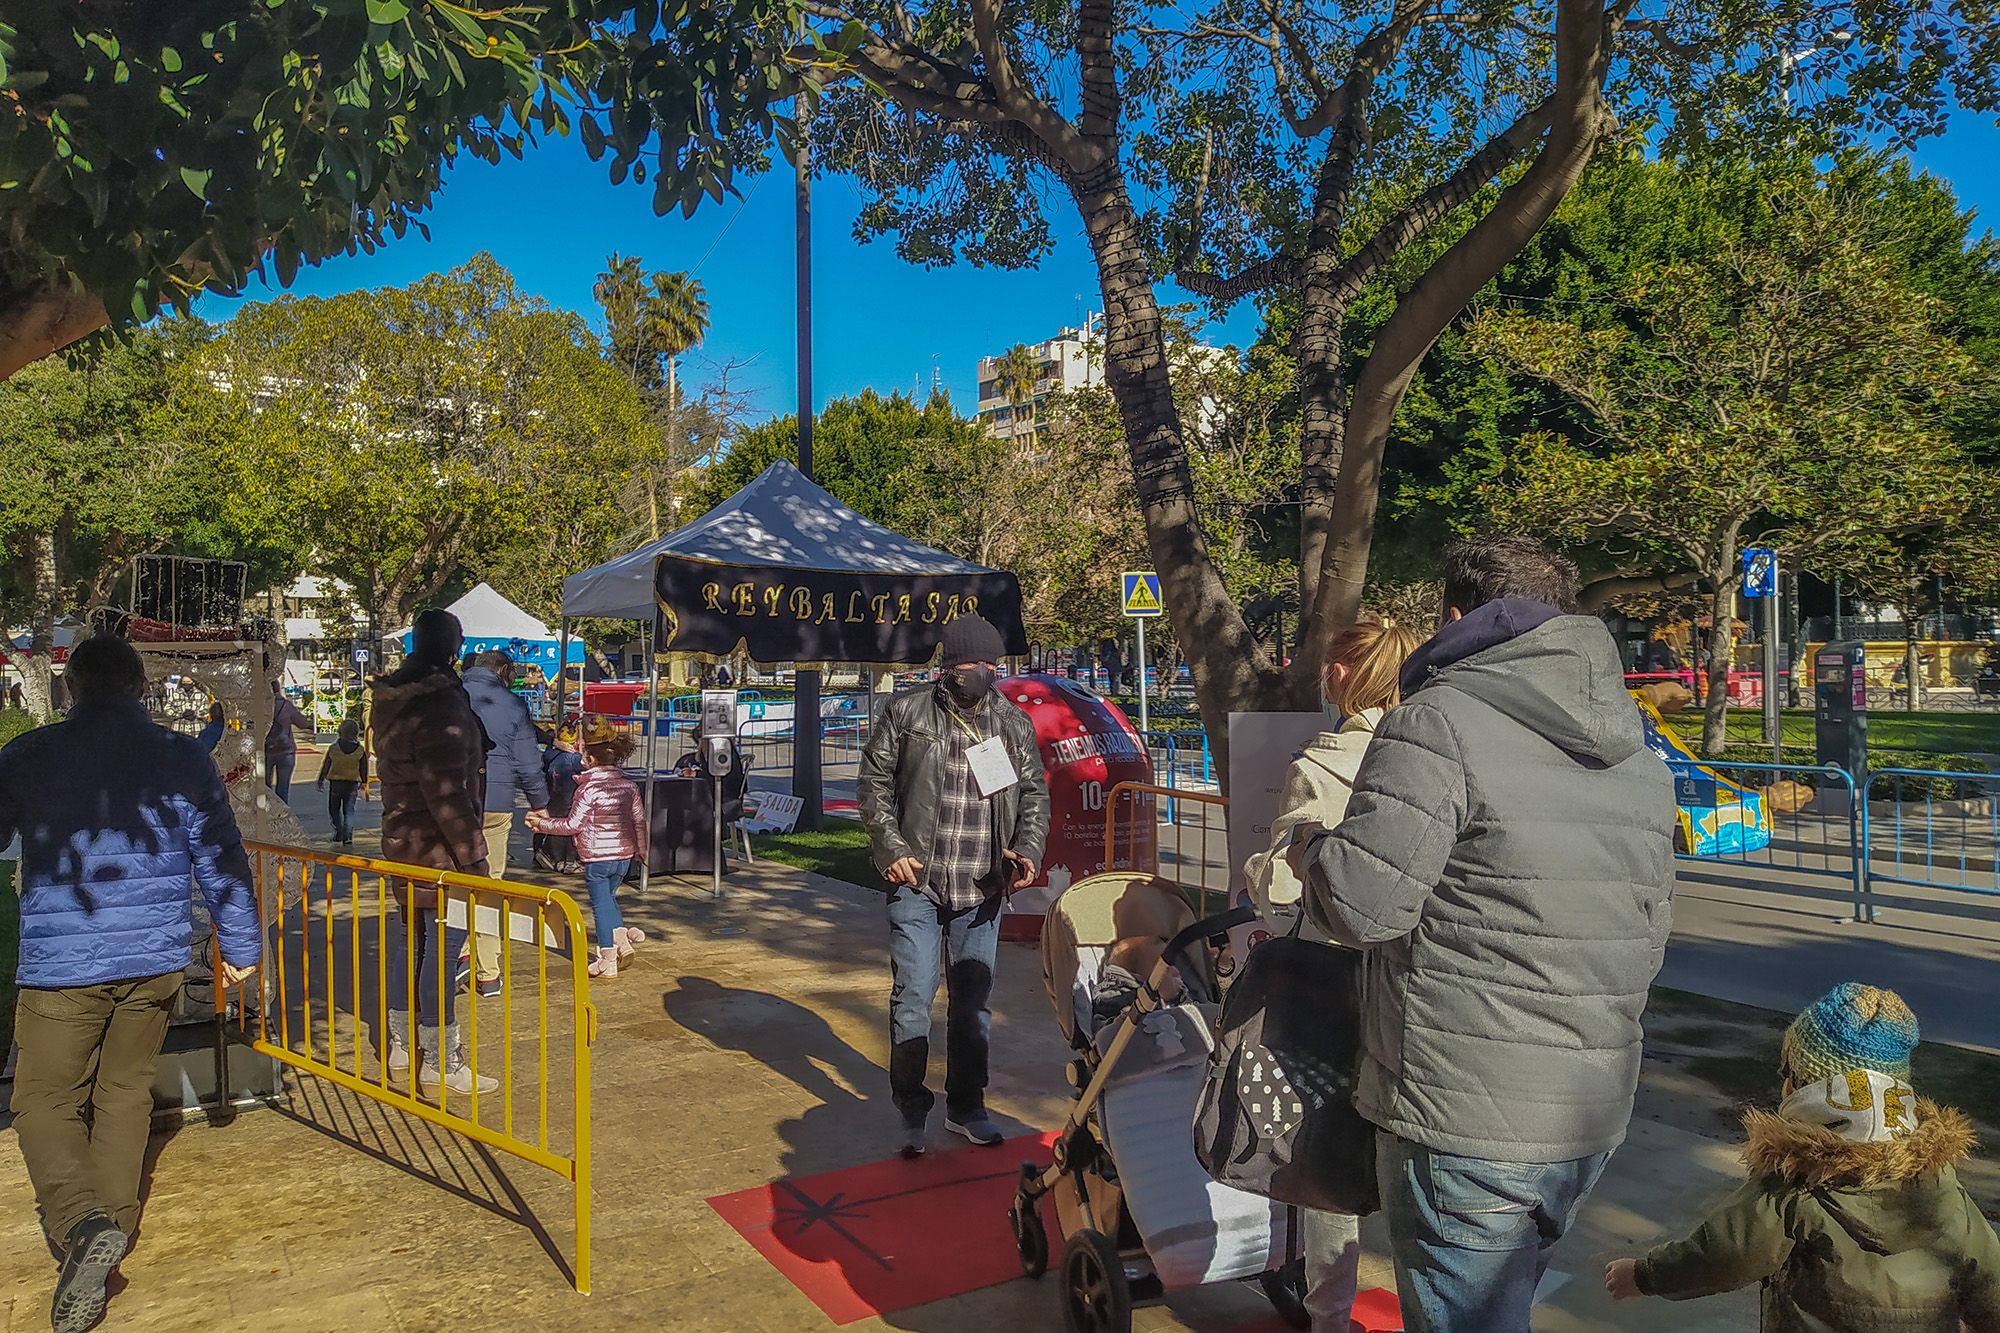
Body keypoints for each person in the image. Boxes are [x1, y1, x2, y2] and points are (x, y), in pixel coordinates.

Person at [1288, 535, 1675, 1333]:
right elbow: (1649, 936)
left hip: (1462, 1114)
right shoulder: (1637, 751)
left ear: (1458, 617)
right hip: (1587, 1115)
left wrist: (1310, 849)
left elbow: (1362, 907)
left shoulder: (1435, 721)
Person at [0, 634, 262, 1333]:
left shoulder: (27, 754)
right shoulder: (182, 756)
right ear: (142, 688)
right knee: (122, 1095)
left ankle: (82, 1224)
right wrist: (240, 943)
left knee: (40, 1099)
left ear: (71, 688)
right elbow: (221, 853)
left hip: (64, 962)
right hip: (154, 959)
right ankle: (104, 1237)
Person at [1606, 983, 2000, 1330]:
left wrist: (1643, 1276)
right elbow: (1989, 1281)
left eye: (1788, 1074)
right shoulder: (1942, 1186)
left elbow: (1725, 1252)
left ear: (1810, 1091)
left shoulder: (1796, 1184)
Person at [1243, 617, 1419, 1333]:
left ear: (1342, 675)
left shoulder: (1321, 764)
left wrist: (1259, 871)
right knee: (1406, 1155)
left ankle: (1328, 1314)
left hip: (1330, 980)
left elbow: (1283, 886)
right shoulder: (1429, 755)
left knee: (1327, 1157)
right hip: (1413, 979)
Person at [858, 613, 1049, 1156]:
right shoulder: (906, 711)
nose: (984, 673)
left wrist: (1028, 849)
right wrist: (891, 850)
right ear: (949, 667)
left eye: (992, 664)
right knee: (914, 997)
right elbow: (873, 785)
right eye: (974, 664)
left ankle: (967, 1106)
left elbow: (1033, 794)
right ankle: (911, 1106)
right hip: (918, 882)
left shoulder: (1010, 722)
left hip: (982, 889)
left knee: (973, 1005)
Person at [369, 609, 496, 1096]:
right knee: (440, 955)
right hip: (439, 851)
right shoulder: (440, 704)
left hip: (403, 841)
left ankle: (404, 1045)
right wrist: (474, 859)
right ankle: (441, 1060)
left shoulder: (394, 700)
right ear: (452, 647)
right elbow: (448, 795)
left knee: (415, 947)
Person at [527, 717, 646, 978]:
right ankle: (621, 939)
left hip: (597, 857)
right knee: (609, 898)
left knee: (600, 906)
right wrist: (641, 849)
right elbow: (639, 820)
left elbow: (572, 825)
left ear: (590, 759)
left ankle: (607, 958)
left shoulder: (588, 790)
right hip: (624, 856)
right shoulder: (629, 786)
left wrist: (541, 824)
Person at [460, 650, 549, 998]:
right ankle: (489, 973)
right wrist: (540, 803)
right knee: (490, 885)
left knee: (453, 880)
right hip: (496, 804)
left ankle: (459, 952)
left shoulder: (451, 694)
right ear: (502, 670)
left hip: (453, 801)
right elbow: (528, 763)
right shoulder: (512, 704)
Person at [534, 723, 585, 873]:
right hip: (571, 799)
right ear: (576, 741)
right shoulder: (576, 759)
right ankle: (570, 861)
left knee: (556, 828)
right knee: (571, 830)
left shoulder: (549, 755)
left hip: (554, 797)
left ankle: (558, 860)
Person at [315, 717, 369, 845]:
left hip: (336, 783)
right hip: (352, 784)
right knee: (349, 810)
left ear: (340, 732)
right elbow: (363, 767)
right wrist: (364, 781)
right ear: (356, 733)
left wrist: (320, 779)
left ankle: (339, 830)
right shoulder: (360, 751)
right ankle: (348, 835)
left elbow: (326, 764)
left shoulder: (334, 748)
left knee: (334, 809)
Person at [265, 680, 313, 802]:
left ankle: (266, 812)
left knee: (264, 788)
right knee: (283, 787)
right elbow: (302, 723)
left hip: (265, 751)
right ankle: (281, 813)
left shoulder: (260, 707)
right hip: (285, 750)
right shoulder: (286, 706)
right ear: (278, 689)